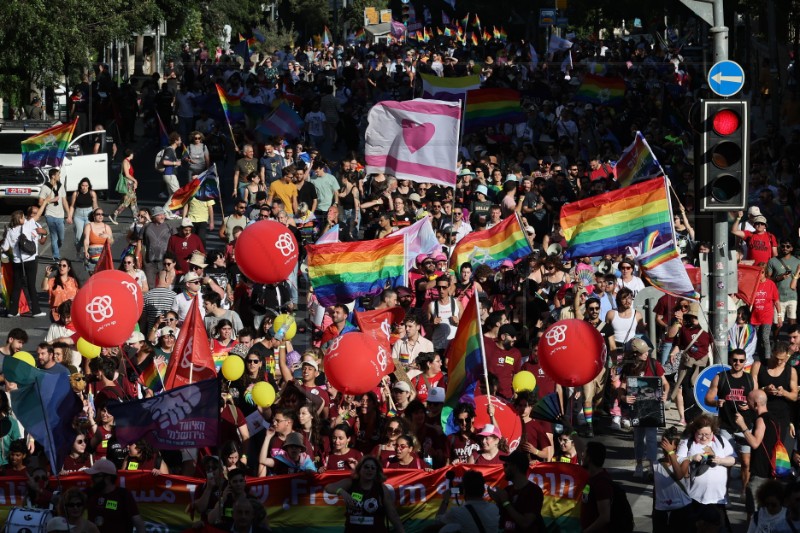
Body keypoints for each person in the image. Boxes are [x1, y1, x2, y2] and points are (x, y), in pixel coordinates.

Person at [619, 338, 669, 479]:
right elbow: (622, 388)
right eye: (643, 352)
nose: (646, 354)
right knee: (638, 439)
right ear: (635, 354)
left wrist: (665, 394)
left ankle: (652, 466)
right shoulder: (629, 367)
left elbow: (665, 383)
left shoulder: (654, 364)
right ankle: (639, 465)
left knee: (652, 438)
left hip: (652, 407)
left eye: (647, 351)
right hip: (637, 407)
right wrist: (624, 398)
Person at [675, 414, 736, 519]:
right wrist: (691, 458)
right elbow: (677, 459)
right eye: (700, 434)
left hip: (718, 497)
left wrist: (721, 460)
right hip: (694, 496)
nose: (704, 437)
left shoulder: (721, 441)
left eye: (707, 435)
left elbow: (733, 459)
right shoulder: (688, 443)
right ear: (695, 432)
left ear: (712, 432)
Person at [323, 456, 406, 533]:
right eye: (366, 467)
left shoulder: (381, 488)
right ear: (359, 469)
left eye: (373, 468)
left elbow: (392, 514)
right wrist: (341, 491)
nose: (369, 470)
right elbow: (328, 487)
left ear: (376, 472)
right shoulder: (350, 483)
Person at [735, 389, 782, 515]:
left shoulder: (760, 420)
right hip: (772, 471)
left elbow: (755, 443)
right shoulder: (774, 419)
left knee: (754, 513)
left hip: (760, 473)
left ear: (755, 404)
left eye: (748, 401)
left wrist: (743, 426)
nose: (747, 404)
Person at [751, 341, 798, 454]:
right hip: (762, 415)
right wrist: (764, 390)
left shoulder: (791, 371)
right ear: (772, 353)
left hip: (781, 417)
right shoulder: (759, 366)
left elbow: (794, 396)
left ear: (787, 355)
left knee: (776, 453)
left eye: (782, 359)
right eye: (776, 358)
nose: (779, 361)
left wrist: (784, 393)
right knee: (760, 451)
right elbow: (752, 393)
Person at [487, 449, 545, 532]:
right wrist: (499, 502)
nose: (504, 469)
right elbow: (503, 521)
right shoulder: (507, 490)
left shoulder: (533, 491)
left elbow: (525, 523)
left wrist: (505, 502)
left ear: (515, 467)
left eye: (506, 465)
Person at [2, 210, 46, 317]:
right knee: (31, 285)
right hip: (30, 260)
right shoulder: (27, 226)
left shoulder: (10, 230)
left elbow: (5, 247)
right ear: (20, 219)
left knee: (17, 286)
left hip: (17, 262)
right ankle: (36, 311)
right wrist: (45, 202)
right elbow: (39, 214)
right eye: (23, 217)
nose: (25, 219)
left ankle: (13, 311)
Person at [84, 458, 146, 533]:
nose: (92, 479)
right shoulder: (89, 492)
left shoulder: (123, 495)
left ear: (108, 478)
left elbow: (138, 523)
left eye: (96, 476)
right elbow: (70, 504)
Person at [654, 427, 693, 532]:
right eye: (664, 445)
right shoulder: (655, 463)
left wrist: (671, 454)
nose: (665, 449)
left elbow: (679, 475)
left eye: (669, 446)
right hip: (661, 510)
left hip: (682, 509)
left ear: (676, 446)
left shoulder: (683, 461)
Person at [435, 469, 500, 533]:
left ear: (464, 490)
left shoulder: (456, 512)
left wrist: (445, 500)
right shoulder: (494, 508)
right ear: (483, 490)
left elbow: (438, 521)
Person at [580, 441, 613, 533]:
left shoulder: (601, 483)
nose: (582, 456)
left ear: (589, 458)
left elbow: (605, 517)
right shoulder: (592, 477)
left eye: (584, 453)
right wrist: (572, 431)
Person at [37, 168, 67, 260]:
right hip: (50, 215)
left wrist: (69, 214)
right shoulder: (45, 187)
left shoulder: (61, 186)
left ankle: (56, 248)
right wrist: (50, 200)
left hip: (60, 215)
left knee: (61, 238)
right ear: (53, 176)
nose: (59, 176)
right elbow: (40, 202)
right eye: (58, 174)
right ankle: (56, 256)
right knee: (54, 236)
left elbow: (64, 200)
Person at [67, 177, 99, 252]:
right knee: (79, 235)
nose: (84, 187)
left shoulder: (92, 193)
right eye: (83, 185)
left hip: (89, 214)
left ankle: (86, 252)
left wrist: (97, 215)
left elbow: (95, 206)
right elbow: (72, 206)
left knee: (87, 235)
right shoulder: (76, 193)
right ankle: (78, 251)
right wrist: (69, 216)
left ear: (88, 186)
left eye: (86, 185)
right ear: (80, 186)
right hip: (78, 215)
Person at [109, 149, 138, 225]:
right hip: (127, 184)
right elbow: (127, 174)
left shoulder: (128, 162)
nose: (133, 155)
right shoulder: (125, 162)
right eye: (132, 153)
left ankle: (136, 217)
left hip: (130, 183)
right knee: (126, 201)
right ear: (130, 154)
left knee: (133, 201)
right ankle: (114, 214)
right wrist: (135, 180)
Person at [82, 207, 114, 274]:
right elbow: (86, 240)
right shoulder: (88, 226)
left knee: (103, 275)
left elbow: (111, 242)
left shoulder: (107, 227)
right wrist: (85, 251)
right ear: (94, 215)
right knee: (93, 275)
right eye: (98, 214)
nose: (100, 216)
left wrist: (107, 236)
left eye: (102, 214)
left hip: (103, 253)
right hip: (92, 253)